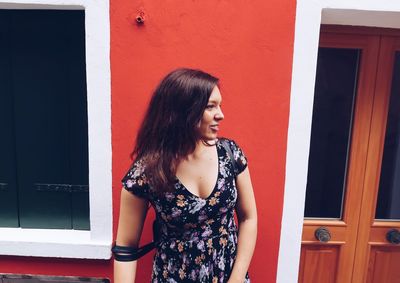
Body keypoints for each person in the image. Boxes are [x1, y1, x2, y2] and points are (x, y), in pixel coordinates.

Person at [114, 68, 257, 283]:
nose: (221, 114)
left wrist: (236, 278)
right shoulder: (147, 172)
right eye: (210, 106)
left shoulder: (230, 154)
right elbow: (126, 248)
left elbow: (248, 217)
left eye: (219, 105)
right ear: (182, 112)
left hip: (228, 275)